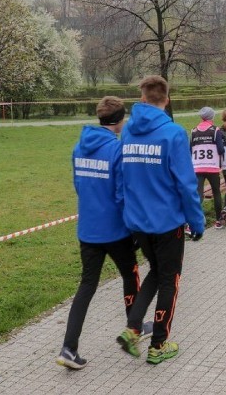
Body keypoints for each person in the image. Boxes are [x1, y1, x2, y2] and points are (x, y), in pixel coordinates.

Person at [116, 76, 206, 365]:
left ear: (142, 99)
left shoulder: (128, 132)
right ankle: (158, 344)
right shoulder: (174, 134)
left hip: (138, 222)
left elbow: (122, 176)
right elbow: (186, 184)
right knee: (170, 280)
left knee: (155, 272)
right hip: (167, 224)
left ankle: (132, 329)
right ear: (166, 100)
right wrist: (197, 222)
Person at [57, 96, 146, 370]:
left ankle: (68, 348)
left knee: (86, 286)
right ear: (120, 121)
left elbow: (78, 185)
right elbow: (122, 195)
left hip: (88, 231)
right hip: (115, 231)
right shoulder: (117, 151)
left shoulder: (78, 148)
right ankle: (134, 326)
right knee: (130, 275)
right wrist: (133, 226)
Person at [191, 107, 226, 228]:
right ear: (212, 117)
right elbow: (221, 149)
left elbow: (191, 149)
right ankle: (218, 221)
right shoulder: (215, 130)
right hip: (212, 167)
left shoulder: (194, 130)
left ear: (201, 117)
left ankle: (192, 222)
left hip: (197, 167)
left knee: (198, 194)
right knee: (216, 192)